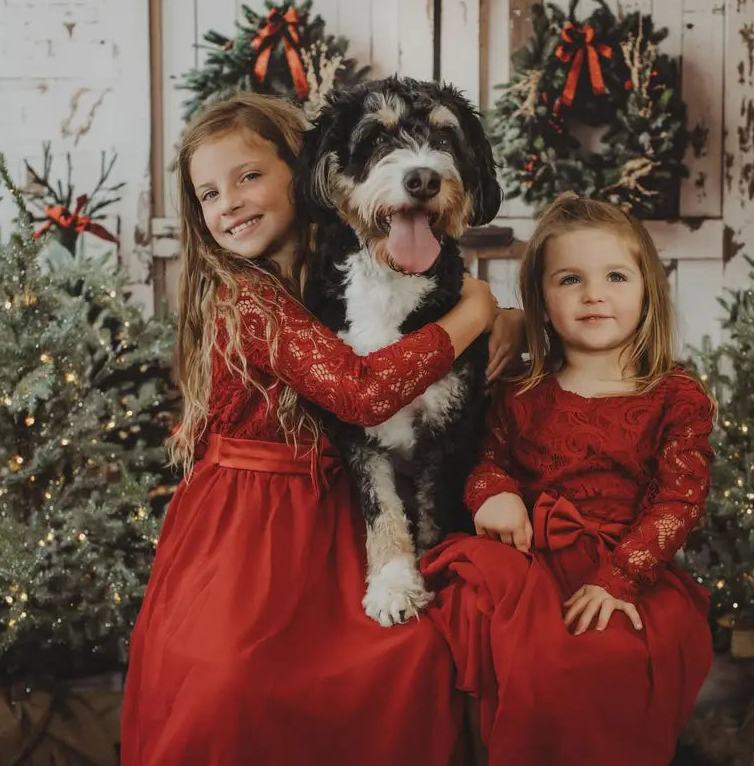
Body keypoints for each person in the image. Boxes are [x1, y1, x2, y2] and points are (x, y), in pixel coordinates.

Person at [121, 92, 517, 764]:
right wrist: (474, 314)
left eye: (248, 177)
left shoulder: (322, 274)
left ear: (303, 174)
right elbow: (359, 394)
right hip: (245, 528)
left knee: (396, 660)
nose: (231, 203)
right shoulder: (248, 296)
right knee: (232, 684)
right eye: (209, 193)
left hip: (320, 509)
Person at [422, 193, 717, 765]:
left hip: (622, 562)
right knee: (474, 621)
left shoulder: (674, 395)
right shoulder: (521, 391)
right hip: (530, 560)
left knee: (599, 657)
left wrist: (618, 578)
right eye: (569, 279)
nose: (594, 294)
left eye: (614, 276)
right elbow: (491, 460)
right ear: (540, 299)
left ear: (647, 288)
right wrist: (495, 492)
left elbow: (679, 500)